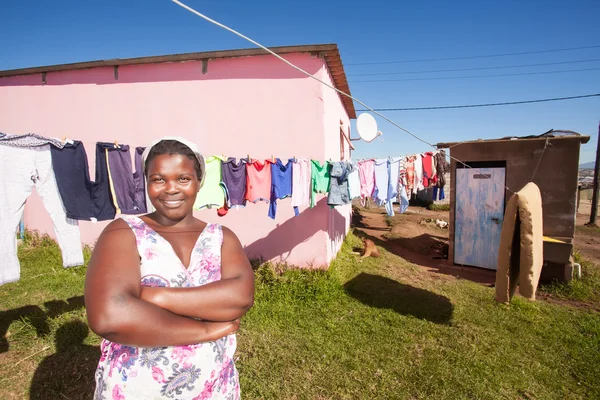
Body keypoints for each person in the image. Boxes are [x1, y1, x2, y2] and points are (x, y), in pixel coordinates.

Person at [84, 137, 254, 399]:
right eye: (159, 179)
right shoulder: (123, 232)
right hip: (138, 388)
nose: (170, 189)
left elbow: (239, 297)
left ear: (199, 182)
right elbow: (111, 316)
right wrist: (205, 330)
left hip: (214, 385)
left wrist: (152, 295)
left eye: (183, 178)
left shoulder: (222, 237)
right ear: (147, 182)